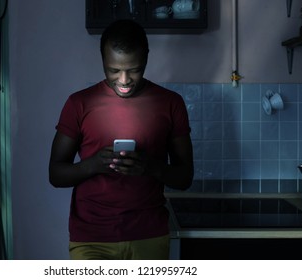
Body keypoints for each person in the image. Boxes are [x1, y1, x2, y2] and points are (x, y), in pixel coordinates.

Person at [48, 19, 194, 260]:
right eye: (114, 70)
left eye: (134, 69)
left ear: (146, 58)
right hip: (91, 238)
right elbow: (55, 174)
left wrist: (150, 167)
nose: (124, 80)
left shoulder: (171, 103)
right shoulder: (78, 104)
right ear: (102, 59)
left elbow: (184, 177)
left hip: (149, 234)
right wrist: (93, 164)